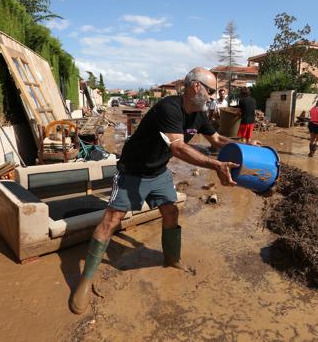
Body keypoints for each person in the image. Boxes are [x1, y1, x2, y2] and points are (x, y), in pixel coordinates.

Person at [70, 67, 240, 314]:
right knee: (111, 220)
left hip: (158, 172)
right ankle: (84, 281)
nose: (214, 97)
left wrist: (244, 148)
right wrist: (215, 165)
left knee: (171, 212)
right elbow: (178, 148)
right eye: (211, 91)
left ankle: (172, 259)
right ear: (196, 87)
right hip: (132, 171)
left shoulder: (200, 115)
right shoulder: (169, 108)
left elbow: (216, 141)